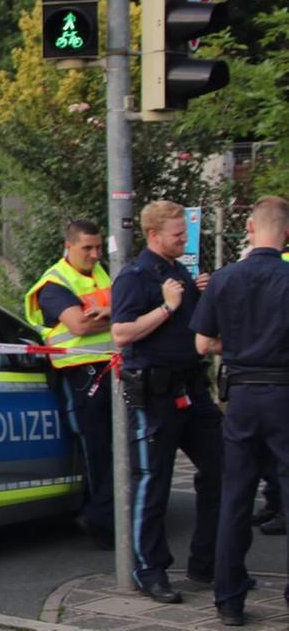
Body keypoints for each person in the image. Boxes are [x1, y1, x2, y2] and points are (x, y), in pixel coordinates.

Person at [110, 199, 220, 605]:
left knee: (221, 466)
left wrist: (199, 293)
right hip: (156, 393)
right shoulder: (135, 277)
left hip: (192, 389)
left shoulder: (178, 272)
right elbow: (121, 334)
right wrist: (167, 306)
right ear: (154, 235)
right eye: (177, 234)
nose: (183, 240)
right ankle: (149, 569)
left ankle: (205, 561)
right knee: (153, 480)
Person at [192, 195, 289, 626]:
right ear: (286, 234)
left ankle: (229, 600)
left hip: (242, 398)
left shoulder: (224, 279)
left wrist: (243, 348)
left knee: (235, 497)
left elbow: (202, 344)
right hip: (285, 396)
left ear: (250, 228)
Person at [24, 220, 115, 549]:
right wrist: (118, 310)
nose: (95, 254)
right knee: (99, 452)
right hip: (81, 376)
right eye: (87, 248)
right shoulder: (54, 283)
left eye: (98, 247)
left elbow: (101, 317)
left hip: (110, 369)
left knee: (122, 448)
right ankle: (102, 524)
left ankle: (107, 516)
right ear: (69, 245)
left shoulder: (101, 273)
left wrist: (105, 311)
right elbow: (79, 324)